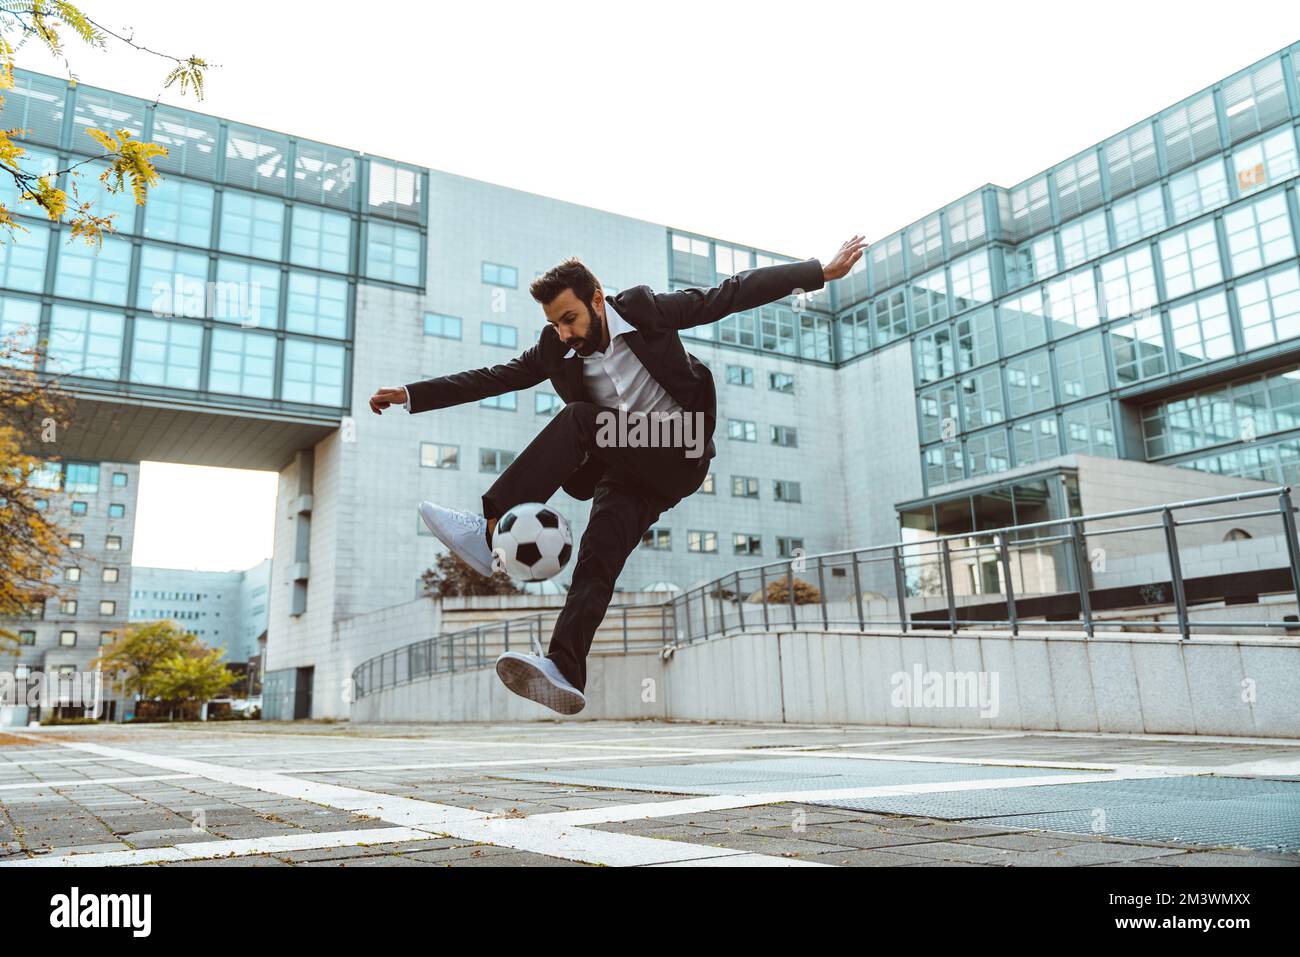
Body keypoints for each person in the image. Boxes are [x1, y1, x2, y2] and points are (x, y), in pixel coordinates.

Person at [369, 236, 867, 715]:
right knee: (598, 555)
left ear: (598, 301)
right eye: (555, 323)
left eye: (570, 318)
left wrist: (819, 272)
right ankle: (565, 668)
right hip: (629, 468)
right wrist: (411, 394)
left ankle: (488, 529)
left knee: (580, 421)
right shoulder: (556, 348)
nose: (564, 333)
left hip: (682, 446)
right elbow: (493, 378)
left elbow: (730, 294)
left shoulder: (647, 309)